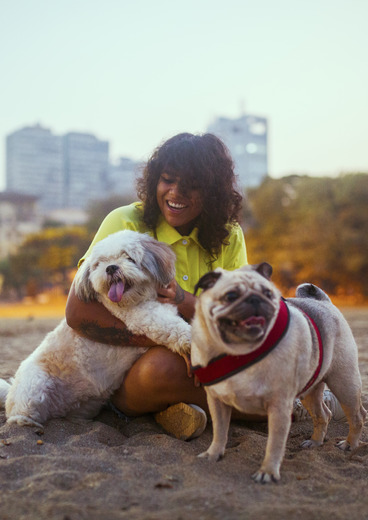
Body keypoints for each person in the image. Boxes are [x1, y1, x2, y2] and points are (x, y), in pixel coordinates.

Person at [65, 132, 342, 440]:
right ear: (154, 179)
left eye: (192, 185)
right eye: (167, 180)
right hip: (131, 372)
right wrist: (169, 339)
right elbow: (77, 314)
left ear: (213, 192)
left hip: (208, 355)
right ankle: (286, 405)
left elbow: (238, 316)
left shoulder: (229, 235)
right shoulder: (125, 222)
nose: (176, 193)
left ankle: (176, 410)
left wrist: (183, 301)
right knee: (165, 368)